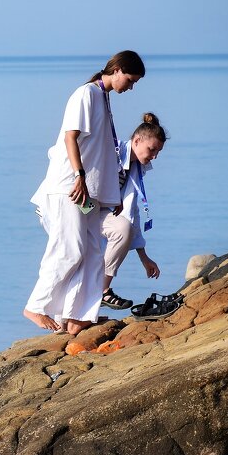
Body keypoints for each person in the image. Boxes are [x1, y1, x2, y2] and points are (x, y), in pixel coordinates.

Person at [24, 50, 145, 335]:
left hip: (90, 195)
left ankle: (79, 317)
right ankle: (35, 306)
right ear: (117, 70)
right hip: (69, 188)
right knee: (69, 249)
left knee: (91, 254)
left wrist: (109, 197)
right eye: (130, 79)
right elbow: (70, 137)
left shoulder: (102, 98)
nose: (130, 86)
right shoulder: (86, 94)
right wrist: (79, 177)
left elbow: (102, 153)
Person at [101, 113, 168, 309]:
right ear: (137, 140)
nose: (154, 156)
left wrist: (144, 256)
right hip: (80, 209)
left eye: (158, 152)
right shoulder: (111, 154)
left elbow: (132, 213)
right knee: (78, 258)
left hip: (100, 216)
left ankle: (91, 306)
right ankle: (101, 292)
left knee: (122, 230)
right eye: (152, 149)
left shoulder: (135, 168)